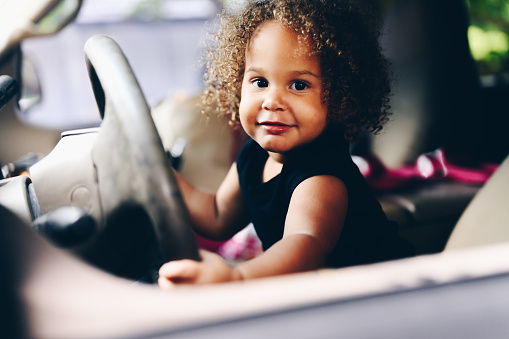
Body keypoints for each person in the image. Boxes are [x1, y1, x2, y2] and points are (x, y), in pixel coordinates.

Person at [158, 0, 413, 288]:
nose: (272, 101)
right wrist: (158, 174)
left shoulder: (322, 176)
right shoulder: (254, 155)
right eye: (259, 81)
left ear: (341, 100)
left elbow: (305, 244)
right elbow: (217, 216)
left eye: (299, 85)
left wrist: (237, 277)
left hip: (379, 296)